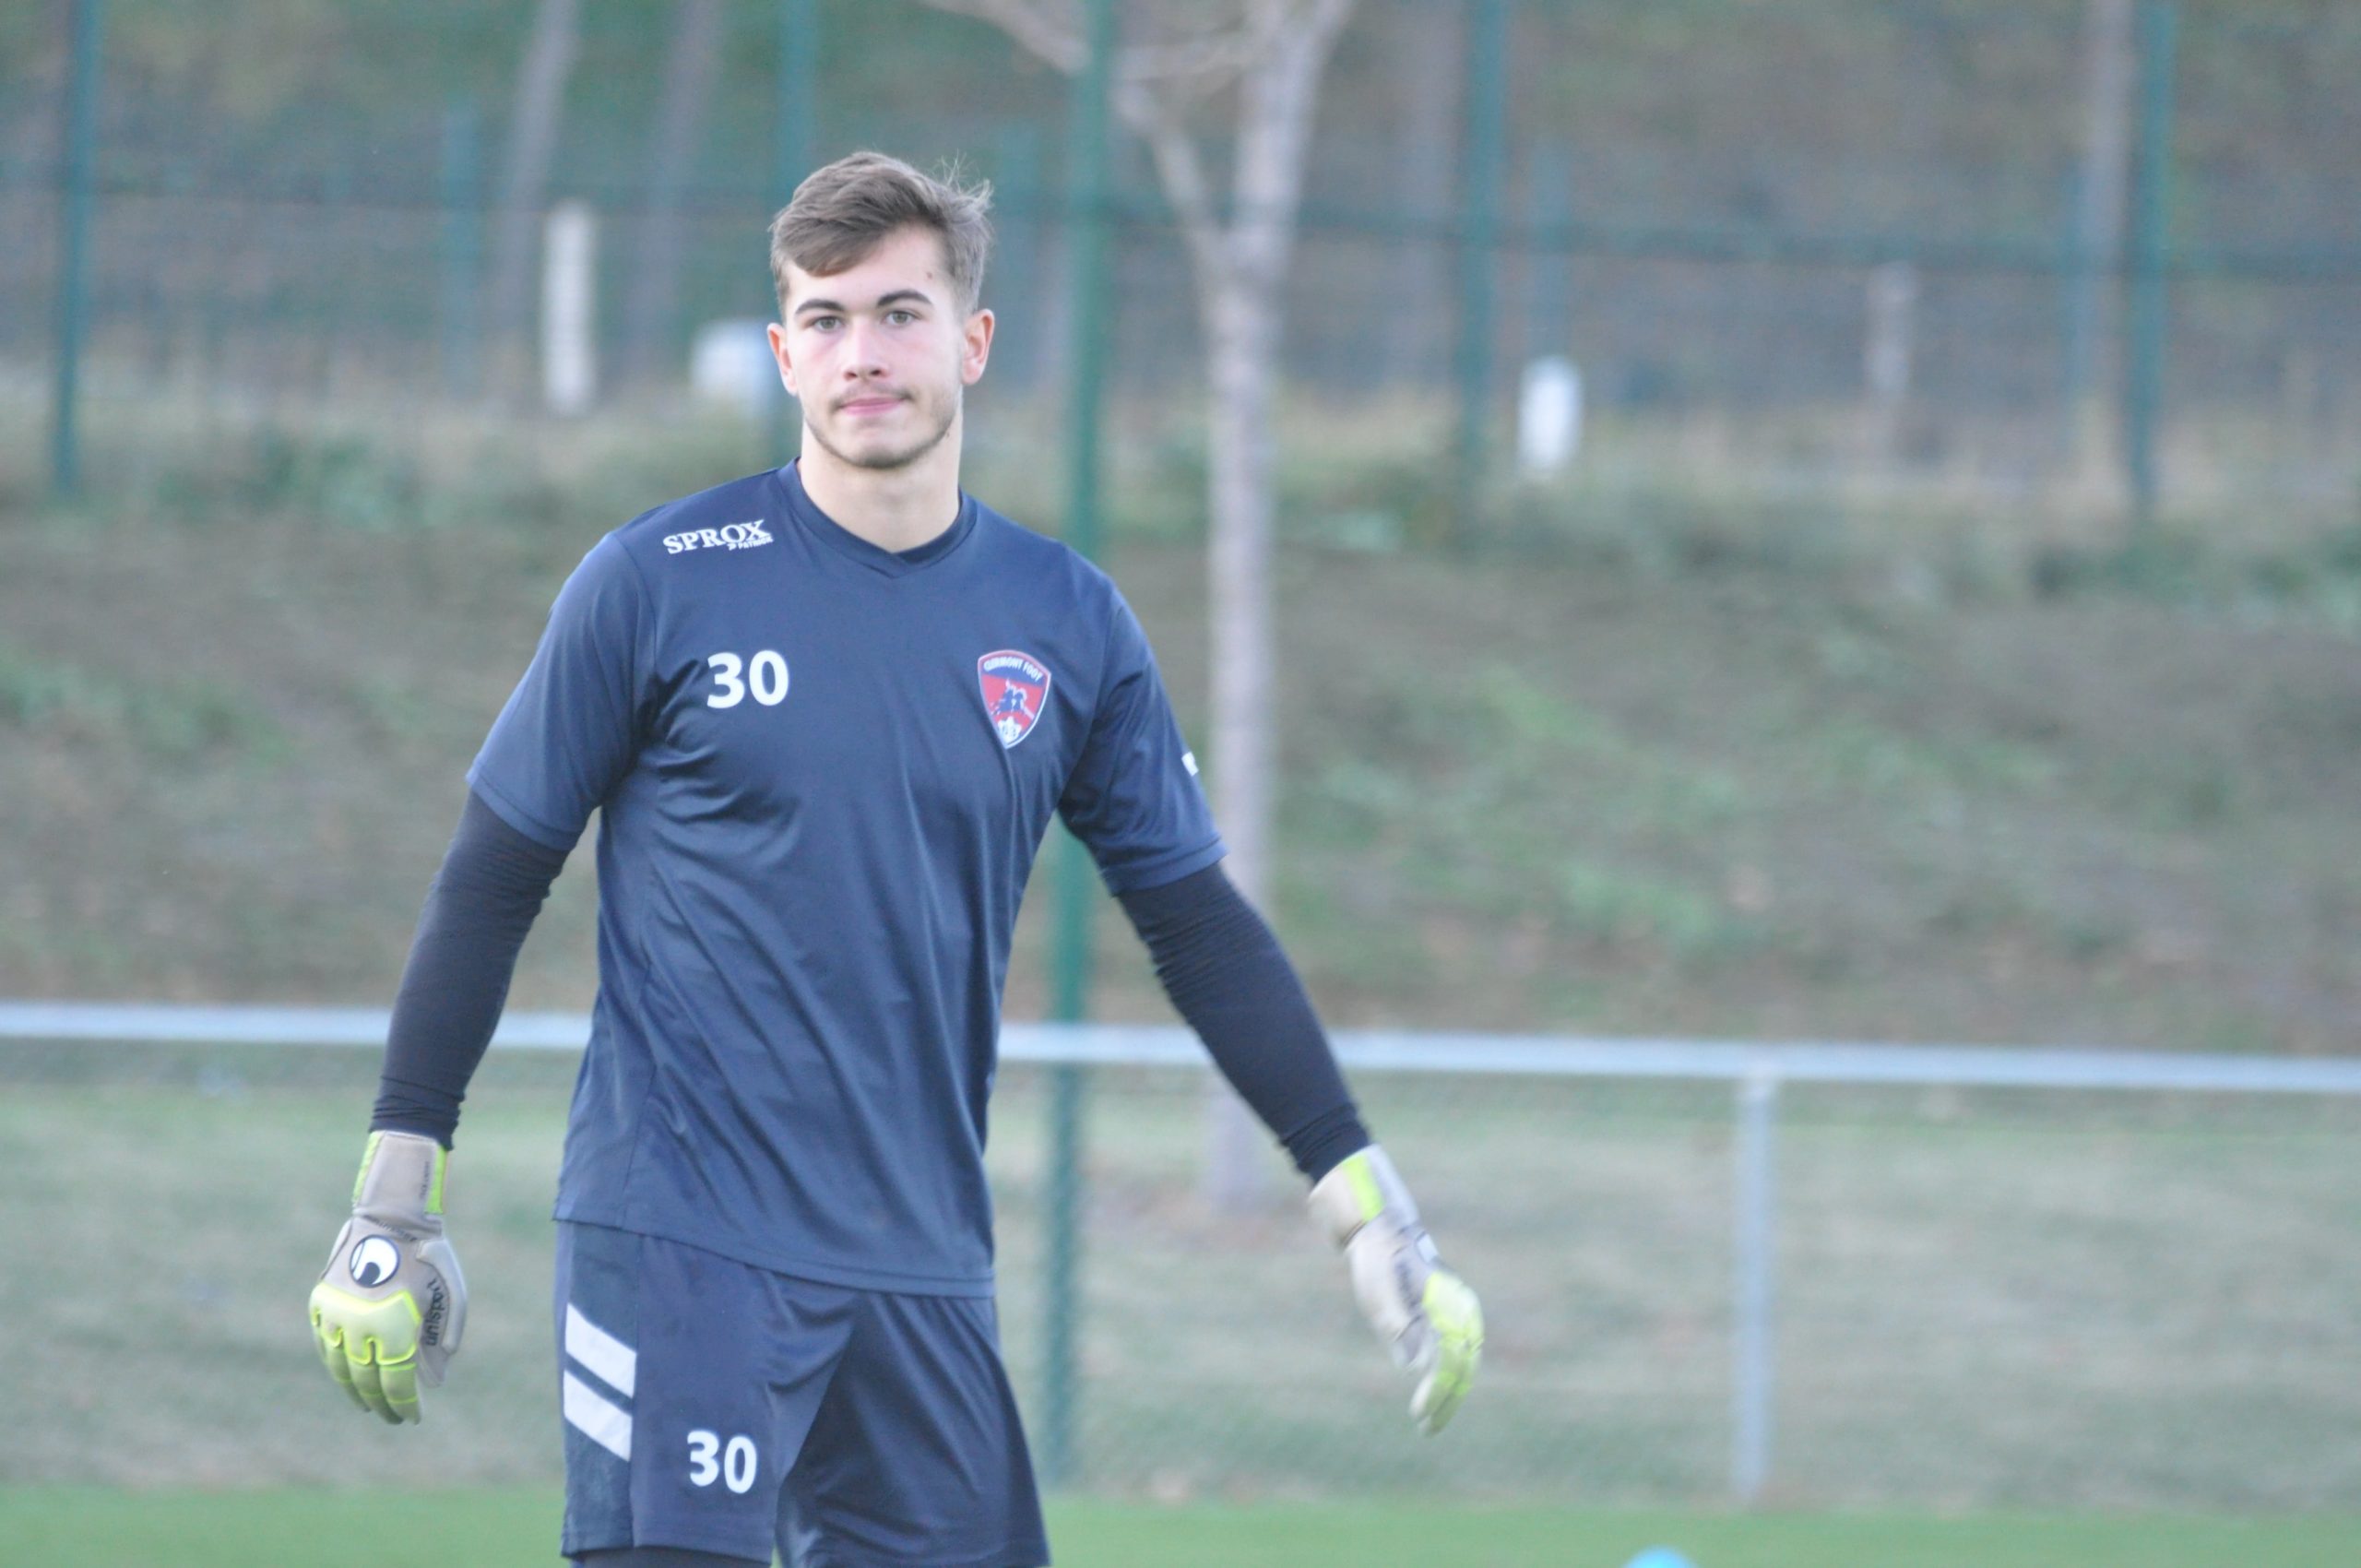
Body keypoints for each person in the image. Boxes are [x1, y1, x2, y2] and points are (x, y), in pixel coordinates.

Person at [307, 150, 1482, 1568]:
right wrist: (393, 1201)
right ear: (781, 353)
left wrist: (1364, 1203)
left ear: (973, 343)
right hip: (688, 1251)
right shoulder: (660, 581)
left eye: (900, 313)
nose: (862, 354)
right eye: (825, 319)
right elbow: (491, 882)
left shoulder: (1068, 623)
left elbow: (1199, 930)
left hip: (924, 1276)